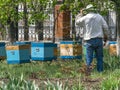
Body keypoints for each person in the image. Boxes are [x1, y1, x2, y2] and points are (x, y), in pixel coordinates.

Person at [75, 4, 110, 72]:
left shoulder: (85, 18)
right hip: (99, 40)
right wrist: (106, 36)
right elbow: (105, 27)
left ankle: (88, 72)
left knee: (89, 58)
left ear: (87, 10)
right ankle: (100, 72)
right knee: (99, 58)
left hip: (89, 40)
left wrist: (80, 14)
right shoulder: (99, 17)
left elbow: (77, 23)